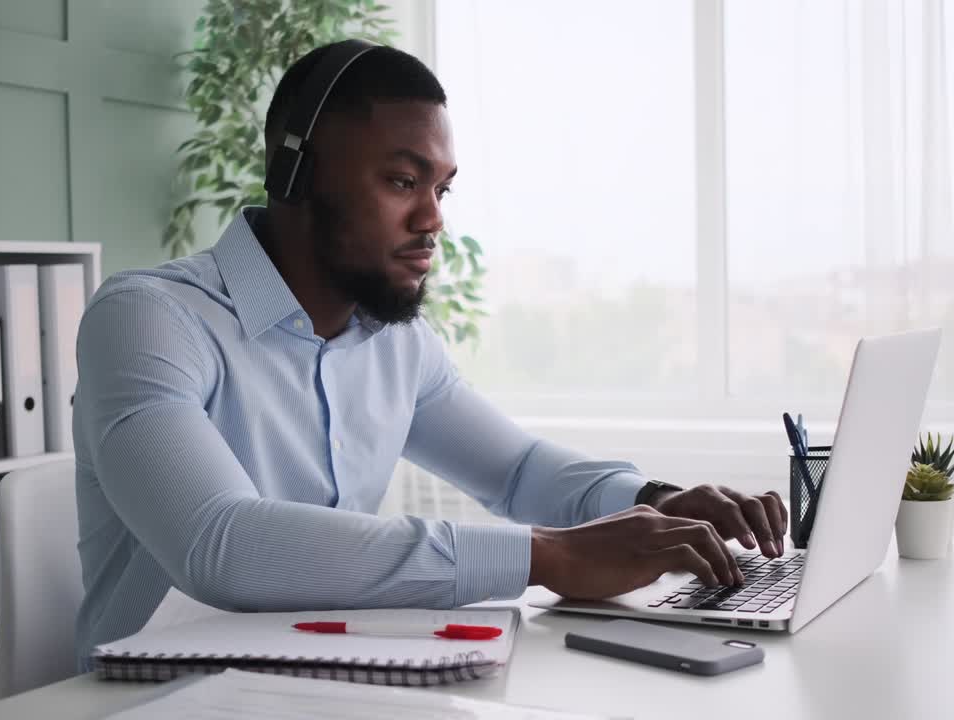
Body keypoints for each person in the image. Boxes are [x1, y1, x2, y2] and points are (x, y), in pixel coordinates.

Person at [72, 41, 788, 666]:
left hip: (316, 677)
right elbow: (221, 543)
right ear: (296, 177)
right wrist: (552, 556)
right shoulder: (149, 320)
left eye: (441, 189)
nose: (433, 221)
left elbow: (515, 470)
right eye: (402, 182)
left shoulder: (395, 344)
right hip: (153, 698)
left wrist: (650, 501)